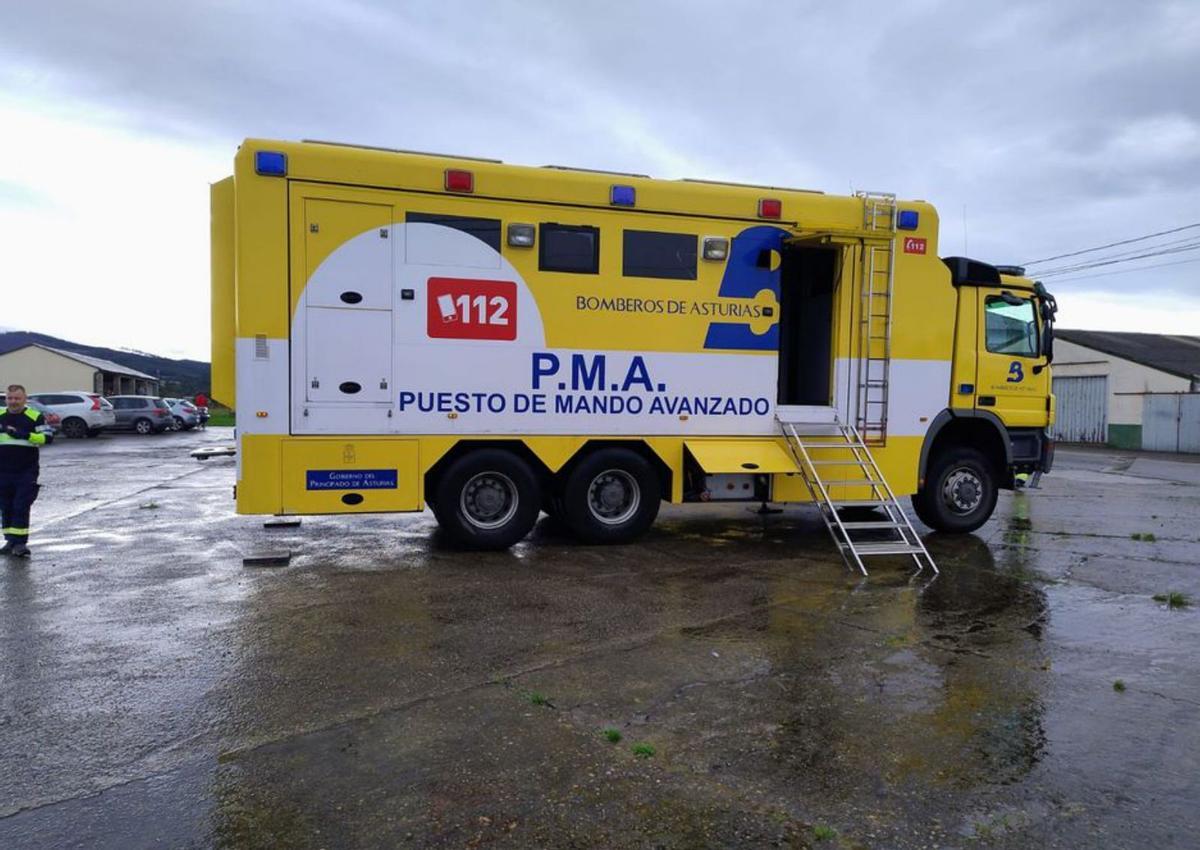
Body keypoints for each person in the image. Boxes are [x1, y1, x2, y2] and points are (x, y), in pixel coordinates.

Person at [0, 384, 48, 558]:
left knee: (21, 505)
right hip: (3, 470)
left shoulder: (35, 416)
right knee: (6, 506)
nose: (13, 402)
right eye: (10, 398)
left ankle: (20, 543)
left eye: (17, 398)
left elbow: (47, 437)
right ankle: (10, 541)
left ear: (24, 399)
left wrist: (24, 434)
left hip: (26, 470)